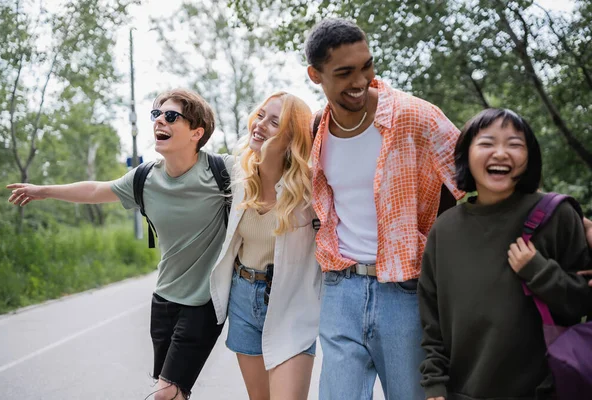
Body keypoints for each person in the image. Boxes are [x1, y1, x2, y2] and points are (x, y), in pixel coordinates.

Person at [7, 89, 232, 400]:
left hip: (204, 303)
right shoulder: (145, 178)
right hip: (164, 299)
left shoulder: (221, 171)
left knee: (163, 393)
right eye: (157, 115)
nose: (159, 122)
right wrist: (42, 190)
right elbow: (95, 190)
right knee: (174, 393)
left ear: (197, 132)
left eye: (171, 116)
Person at [304, 18, 463, 400]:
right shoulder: (317, 129)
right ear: (315, 74)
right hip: (341, 290)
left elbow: (478, 180)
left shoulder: (414, 116)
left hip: (405, 293)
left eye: (367, 66)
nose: (360, 81)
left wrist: (561, 222)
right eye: (344, 73)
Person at [418, 108, 592, 400]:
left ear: (529, 157)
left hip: (545, 390)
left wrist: (539, 271)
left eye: (514, 144)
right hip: (465, 392)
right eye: (487, 143)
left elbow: (583, 304)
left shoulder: (557, 215)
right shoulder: (444, 230)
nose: (500, 153)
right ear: (466, 155)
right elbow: (431, 318)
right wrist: (434, 380)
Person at [210, 91, 321, 400]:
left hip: (290, 303)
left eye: (274, 122)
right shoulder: (239, 174)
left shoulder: (310, 188)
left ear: (291, 138)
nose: (259, 125)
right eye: (260, 115)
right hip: (244, 298)